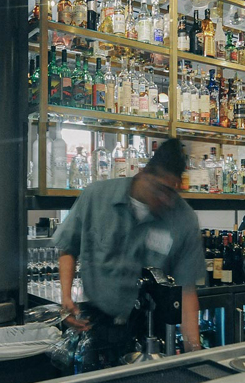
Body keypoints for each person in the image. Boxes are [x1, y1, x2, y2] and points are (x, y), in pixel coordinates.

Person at [54, 138, 205, 361]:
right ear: (143, 174)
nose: (164, 199)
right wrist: (66, 299)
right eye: (160, 189)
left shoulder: (183, 219)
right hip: (96, 324)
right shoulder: (97, 196)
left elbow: (186, 290)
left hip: (151, 327)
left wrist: (194, 351)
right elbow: (68, 247)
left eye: (171, 192)